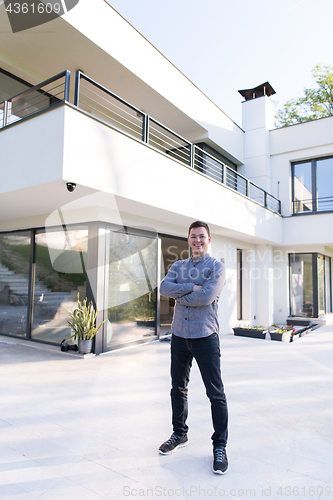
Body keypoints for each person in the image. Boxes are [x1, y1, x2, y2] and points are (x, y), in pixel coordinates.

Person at [159, 221, 228, 475]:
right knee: (178, 389)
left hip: (206, 337)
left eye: (201, 236)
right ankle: (179, 434)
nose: (197, 240)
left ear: (209, 239)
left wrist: (181, 295)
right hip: (179, 336)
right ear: (188, 240)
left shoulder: (216, 267)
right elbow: (164, 288)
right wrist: (190, 287)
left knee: (215, 394)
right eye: (193, 237)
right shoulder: (178, 266)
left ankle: (220, 446)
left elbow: (206, 297)